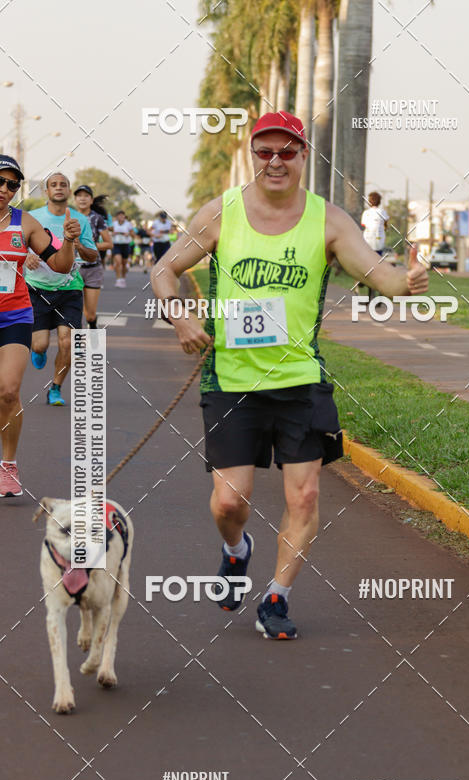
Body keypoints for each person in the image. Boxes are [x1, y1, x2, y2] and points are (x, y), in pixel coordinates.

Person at [151, 110, 428, 640]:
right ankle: (237, 550)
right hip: (231, 381)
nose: (275, 162)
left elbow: (379, 275)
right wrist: (180, 316)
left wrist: (407, 281)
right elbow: (165, 268)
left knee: (303, 497)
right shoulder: (223, 212)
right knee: (229, 502)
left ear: (304, 156)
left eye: (287, 152)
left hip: (300, 381)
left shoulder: (329, 220)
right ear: (252, 156)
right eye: (265, 152)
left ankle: (276, 596)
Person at [0, 156, 81, 496]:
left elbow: (61, 266)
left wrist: (70, 240)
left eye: (12, 185)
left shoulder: (26, 223)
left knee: (8, 391)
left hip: (14, 315)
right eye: (0, 181)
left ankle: (8, 465)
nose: (5, 189)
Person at [26, 172, 98, 406]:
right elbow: (18, 246)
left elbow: (93, 255)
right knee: (39, 344)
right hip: (37, 288)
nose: (59, 188)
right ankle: (38, 350)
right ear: (46, 191)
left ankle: (55, 388)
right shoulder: (32, 218)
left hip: (70, 289)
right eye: (54, 185)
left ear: (68, 190)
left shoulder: (80, 220)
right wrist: (26, 257)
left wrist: (78, 244)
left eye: (63, 185)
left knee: (68, 342)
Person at [73, 186, 113, 328]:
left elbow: (109, 243)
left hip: (93, 269)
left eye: (86, 196)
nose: (82, 198)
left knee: (90, 314)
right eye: (79, 196)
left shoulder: (97, 218)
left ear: (91, 200)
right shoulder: (68, 217)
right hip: (73, 270)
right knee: (74, 313)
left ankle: (93, 330)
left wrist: (89, 246)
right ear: (75, 199)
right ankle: (78, 341)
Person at [361, 191, 390, 301]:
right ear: (380, 202)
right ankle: (379, 296)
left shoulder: (366, 213)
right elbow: (386, 225)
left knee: (368, 269)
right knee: (378, 269)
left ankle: (369, 295)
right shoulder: (383, 212)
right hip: (379, 244)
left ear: (369, 202)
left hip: (367, 244)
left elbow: (364, 225)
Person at [112, 210, 133, 287]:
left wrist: (128, 234)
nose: (121, 217)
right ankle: (118, 280)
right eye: (119, 215)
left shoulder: (128, 224)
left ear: (124, 216)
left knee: (124, 264)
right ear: (117, 217)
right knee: (118, 262)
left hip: (125, 245)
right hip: (116, 244)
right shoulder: (114, 224)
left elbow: (133, 234)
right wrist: (113, 233)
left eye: (122, 215)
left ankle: (123, 279)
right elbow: (108, 232)